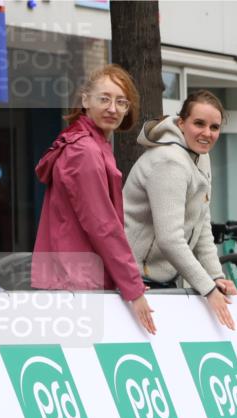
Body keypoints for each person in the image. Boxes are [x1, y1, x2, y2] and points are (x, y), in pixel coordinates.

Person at [32, 64, 156, 335]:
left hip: (73, 279)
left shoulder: (88, 143)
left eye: (121, 101)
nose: (113, 108)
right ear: (85, 100)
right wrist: (133, 288)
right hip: (77, 283)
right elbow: (103, 225)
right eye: (104, 98)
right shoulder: (85, 151)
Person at [124, 90, 237, 330]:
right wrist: (208, 289)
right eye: (199, 124)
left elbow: (201, 222)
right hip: (138, 281)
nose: (207, 133)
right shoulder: (170, 161)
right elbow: (170, 240)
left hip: (163, 278)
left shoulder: (199, 156)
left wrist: (216, 276)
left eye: (214, 127)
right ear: (181, 122)